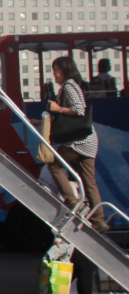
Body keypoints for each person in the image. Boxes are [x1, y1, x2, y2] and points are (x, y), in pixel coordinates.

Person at [46, 55, 109, 233]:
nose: (54, 74)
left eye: (56, 70)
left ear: (65, 71)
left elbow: (78, 110)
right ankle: (99, 220)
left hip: (78, 140)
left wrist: (57, 108)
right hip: (88, 140)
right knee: (89, 182)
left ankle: (71, 200)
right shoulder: (73, 86)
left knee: (54, 165)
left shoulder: (69, 86)